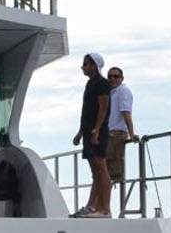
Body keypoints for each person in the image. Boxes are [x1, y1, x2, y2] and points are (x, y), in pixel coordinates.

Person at [71, 53, 112, 218]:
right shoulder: (90, 83)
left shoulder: (102, 84)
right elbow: (87, 110)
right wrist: (81, 132)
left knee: (102, 170)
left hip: (97, 132)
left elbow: (103, 108)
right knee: (95, 171)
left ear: (95, 65)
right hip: (88, 132)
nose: (83, 67)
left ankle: (105, 208)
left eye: (86, 64)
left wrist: (96, 130)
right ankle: (92, 206)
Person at [106, 67, 137, 185]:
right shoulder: (111, 92)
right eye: (110, 76)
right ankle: (102, 202)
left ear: (122, 78)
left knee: (112, 172)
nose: (113, 79)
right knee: (105, 170)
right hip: (109, 133)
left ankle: (104, 203)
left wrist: (131, 133)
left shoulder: (123, 91)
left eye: (116, 76)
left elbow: (126, 113)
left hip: (117, 133)